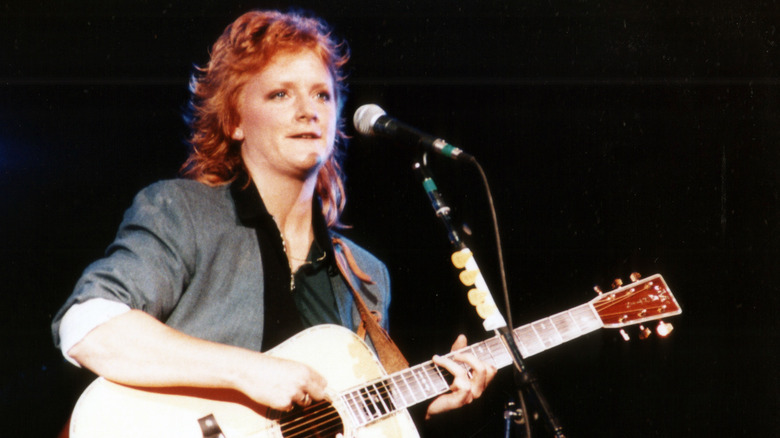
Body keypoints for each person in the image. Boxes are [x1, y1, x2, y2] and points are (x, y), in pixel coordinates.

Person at [51, 8, 496, 433]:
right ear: (235, 120)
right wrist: (249, 371)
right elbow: (87, 325)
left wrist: (425, 405)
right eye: (280, 93)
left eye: (322, 94)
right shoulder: (183, 213)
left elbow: (338, 417)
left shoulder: (367, 275)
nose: (309, 110)